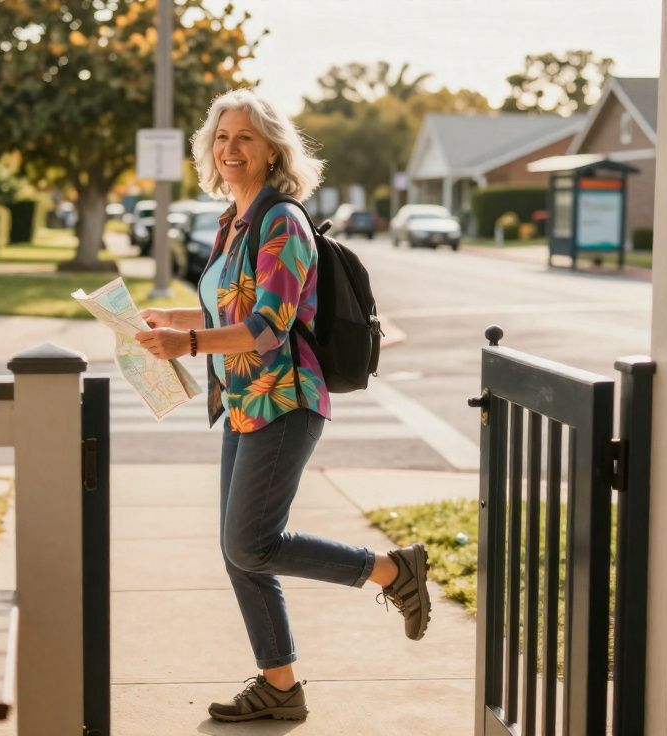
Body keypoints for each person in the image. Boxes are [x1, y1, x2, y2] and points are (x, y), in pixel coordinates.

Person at [134, 89, 431, 723]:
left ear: (272, 150)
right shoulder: (234, 220)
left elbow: (269, 326)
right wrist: (172, 319)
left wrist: (187, 345)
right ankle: (280, 686)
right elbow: (229, 310)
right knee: (238, 549)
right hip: (244, 400)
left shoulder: (282, 222)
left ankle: (391, 572)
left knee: (251, 544)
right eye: (221, 137)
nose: (230, 148)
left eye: (245, 137)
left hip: (286, 399)